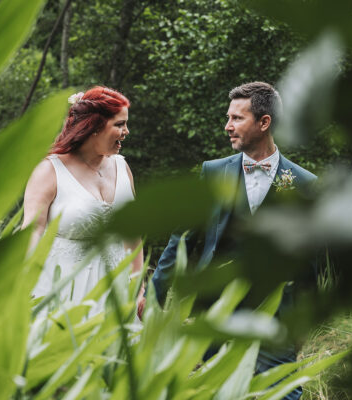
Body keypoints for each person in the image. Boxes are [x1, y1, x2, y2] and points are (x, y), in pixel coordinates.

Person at [140, 82, 316, 400]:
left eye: (237, 118)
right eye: (228, 117)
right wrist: (154, 297)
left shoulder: (303, 183)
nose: (228, 126)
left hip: (276, 322)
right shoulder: (213, 172)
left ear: (264, 123)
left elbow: (309, 264)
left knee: (284, 395)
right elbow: (180, 241)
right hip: (217, 317)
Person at [23, 86, 143, 315]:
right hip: (63, 293)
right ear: (95, 126)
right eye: (119, 124)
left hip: (117, 294)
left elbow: (133, 234)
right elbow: (32, 231)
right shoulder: (50, 171)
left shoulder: (122, 167)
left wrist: (139, 287)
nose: (126, 131)